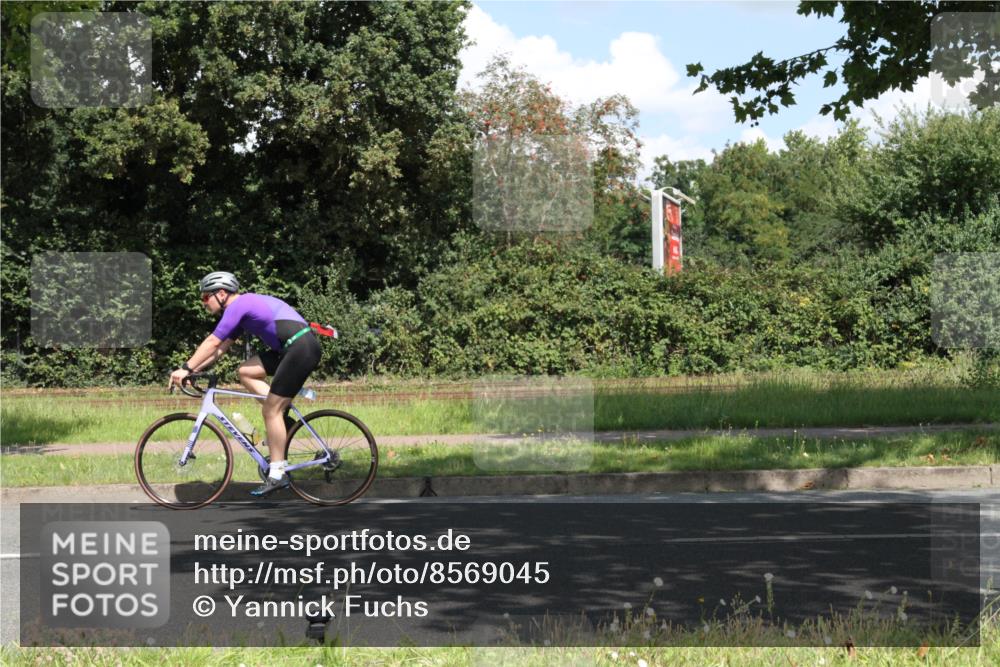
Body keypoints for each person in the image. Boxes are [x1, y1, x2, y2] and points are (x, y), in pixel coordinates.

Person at [168, 271, 322, 496]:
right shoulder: (240, 310)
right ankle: (282, 415)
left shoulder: (239, 305)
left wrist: (186, 368)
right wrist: (193, 370)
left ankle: (278, 474)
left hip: (300, 348)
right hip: (292, 348)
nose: (204, 302)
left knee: (270, 411)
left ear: (222, 294)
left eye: (206, 297)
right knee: (246, 371)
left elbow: (212, 341)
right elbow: (220, 349)